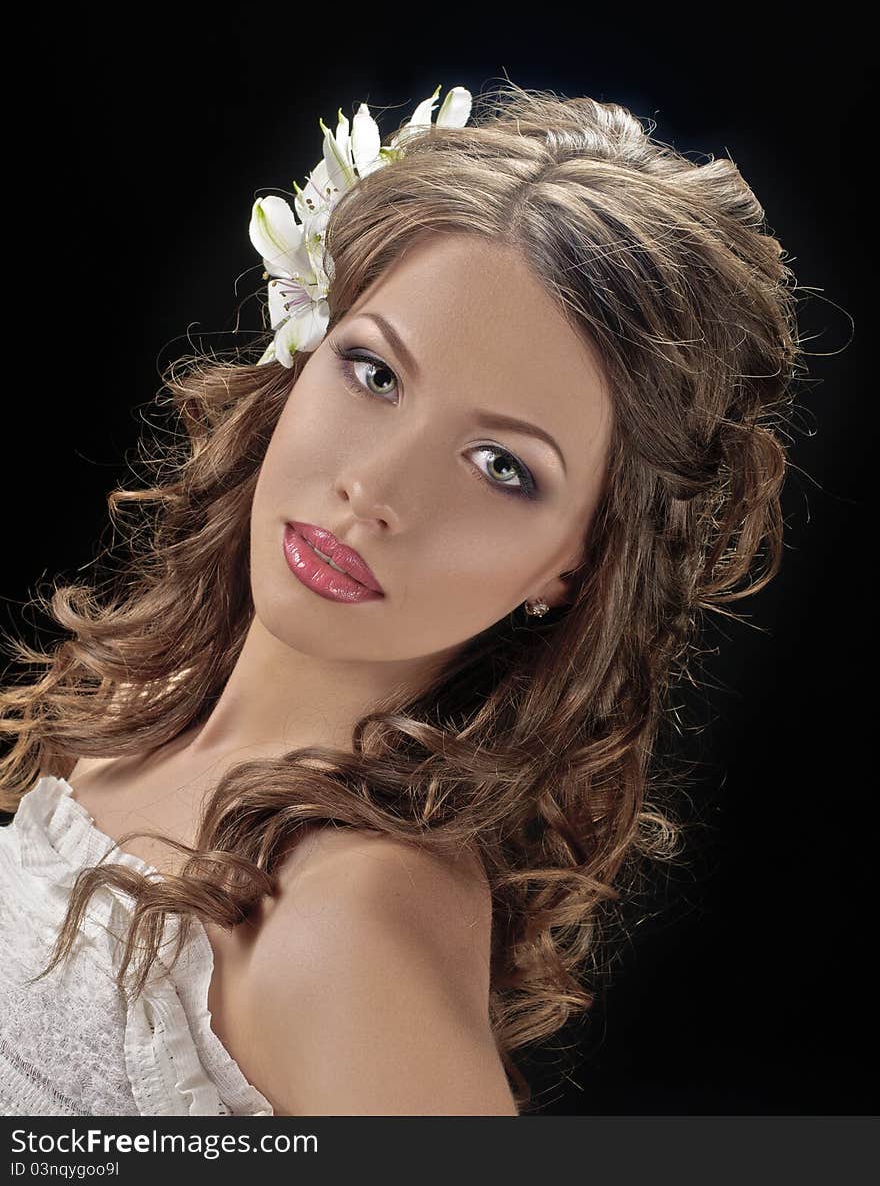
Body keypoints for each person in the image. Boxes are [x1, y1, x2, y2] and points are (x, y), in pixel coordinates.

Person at [0, 79, 804, 1117]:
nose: (375, 491)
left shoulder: (348, 922)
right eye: (375, 373)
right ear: (305, 349)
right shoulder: (141, 709)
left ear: (577, 560)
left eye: (499, 465)